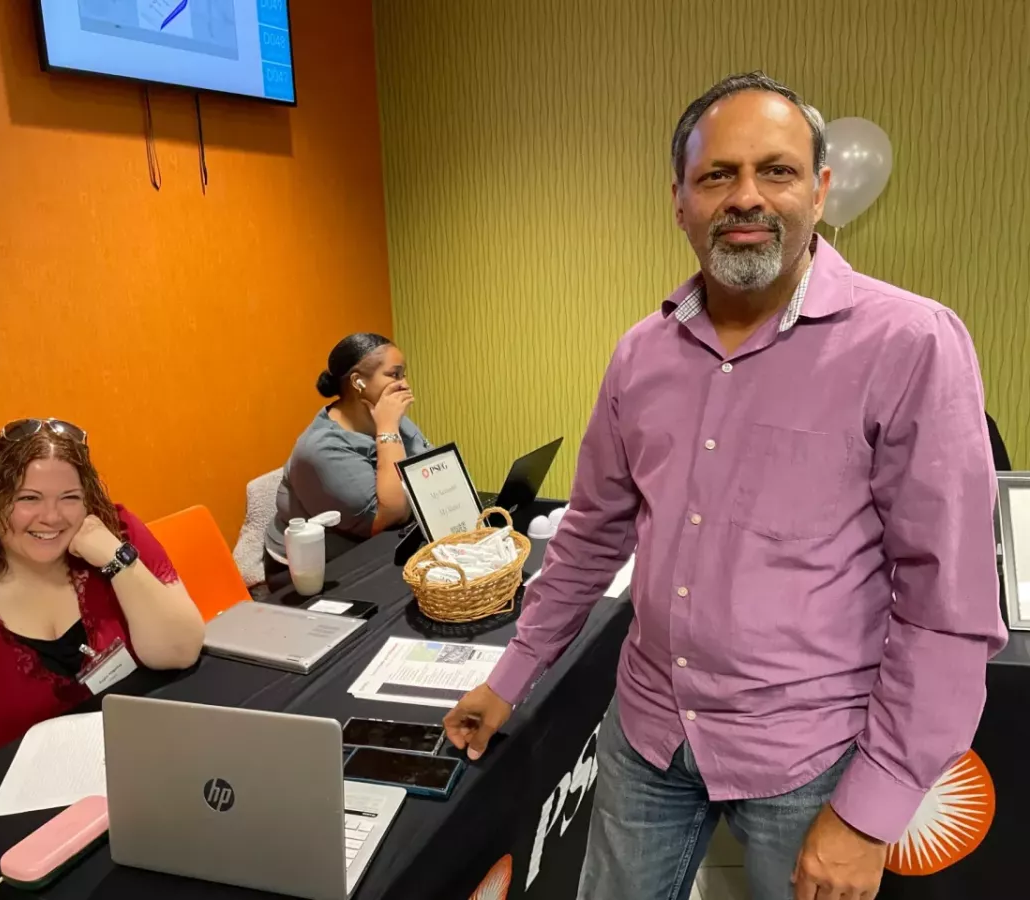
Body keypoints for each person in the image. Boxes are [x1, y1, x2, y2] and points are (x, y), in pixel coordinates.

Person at [445, 72, 1006, 900]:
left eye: (775, 171)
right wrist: (510, 676)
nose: (746, 197)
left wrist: (868, 814)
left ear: (819, 191)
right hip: (648, 732)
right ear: (680, 201)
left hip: (815, 754)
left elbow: (947, 607)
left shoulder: (911, 344)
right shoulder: (641, 354)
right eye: (718, 176)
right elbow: (594, 531)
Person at [0, 418, 204, 898]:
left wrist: (117, 558)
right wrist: (34, 826)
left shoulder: (113, 530)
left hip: (89, 782)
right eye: (28, 498)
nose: (52, 517)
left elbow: (180, 649)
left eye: (69, 497)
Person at [265, 333, 431, 569]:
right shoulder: (321, 448)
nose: (404, 384)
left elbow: (432, 471)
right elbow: (389, 517)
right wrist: (387, 429)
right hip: (312, 570)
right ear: (357, 382)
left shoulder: (390, 418)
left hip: (388, 544)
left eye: (403, 375)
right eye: (394, 375)